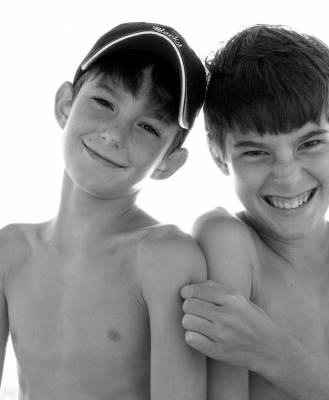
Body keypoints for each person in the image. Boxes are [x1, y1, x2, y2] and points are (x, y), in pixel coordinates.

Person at [181, 24, 329, 399]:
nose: (287, 176)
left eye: (310, 143)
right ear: (218, 154)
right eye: (255, 152)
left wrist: (274, 354)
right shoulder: (227, 242)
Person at [0, 22, 207, 400]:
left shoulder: (164, 258)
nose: (114, 133)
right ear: (65, 104)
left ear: (169, 162)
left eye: (147, 127)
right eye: (104, 102)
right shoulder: (10, 251)